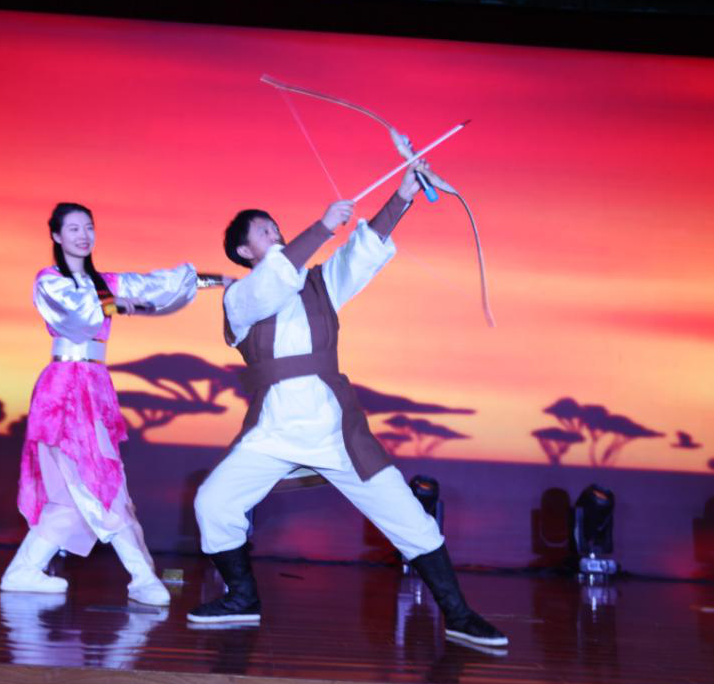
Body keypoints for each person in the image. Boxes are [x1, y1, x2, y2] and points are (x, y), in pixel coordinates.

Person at [189, 162, 508, 648]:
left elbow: (362, 252)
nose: (275, 234)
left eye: (276, 227)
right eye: (264, 232)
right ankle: (242, 598)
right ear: (243, 251)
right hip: (273, 430)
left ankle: (459, 615)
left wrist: (402, 196)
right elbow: (273, 282)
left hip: (334, 429)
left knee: (408, 517)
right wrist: (321, 227)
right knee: (214, 503)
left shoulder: (318, 284)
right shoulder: (240, 297)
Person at [1, 202, 199, 606]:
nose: (83, 235)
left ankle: (23, 571)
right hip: (65, 390)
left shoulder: (104, 282)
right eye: (74, 228)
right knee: (99, 480)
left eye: (88, 227)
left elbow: (149, 287)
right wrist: (113, 304)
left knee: (72, 497)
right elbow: (80, 317)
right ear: (57, 236)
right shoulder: (50, 281)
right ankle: (141, 577)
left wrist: (201, 278)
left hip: (93, 386)